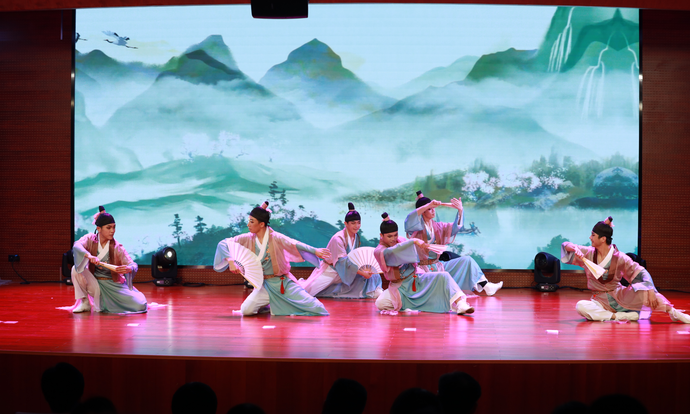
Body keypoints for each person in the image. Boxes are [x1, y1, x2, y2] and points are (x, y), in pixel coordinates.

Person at [562, 216, 690, 323]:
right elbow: (565, 245)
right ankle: (618, 316)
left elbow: (641, 272)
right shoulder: (588, 253)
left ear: (603, 239)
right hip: (599, 300)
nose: (590, 237)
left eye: (593, 235)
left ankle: (674, 313)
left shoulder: (620, 258)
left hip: (620, 296)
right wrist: (573, 247)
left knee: (646, 292)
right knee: (581, 306)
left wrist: (650, 289)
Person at [214, 201, 331, 316]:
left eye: (252, 221)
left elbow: (294, 244)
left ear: (261, 224)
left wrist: (314, 251)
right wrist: (231, 261)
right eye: (249, 221)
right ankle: (267, 305)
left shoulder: (276, 238)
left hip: (282, 283)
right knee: (246, 310)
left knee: (317, 308)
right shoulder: (247, 238)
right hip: (263, 285)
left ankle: (279, 302)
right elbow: (223, 243)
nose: (248, 224)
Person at [374, 213, 474, 315]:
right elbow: (392, 252)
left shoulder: (401, 241)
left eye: (395, 235)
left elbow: (406, 249)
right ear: (381, 235)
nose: (393, 239)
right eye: (389, 236)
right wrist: (413, 241)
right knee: (380, 303)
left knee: (444, 276)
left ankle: (461, 304)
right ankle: (410, 305)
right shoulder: (379, 251)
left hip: (415, 280)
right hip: (399, 287)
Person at [405, 192, 502, 296]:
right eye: (430, 209)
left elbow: (455, 228)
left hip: (438, 265)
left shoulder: (438, 226)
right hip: (422, 270)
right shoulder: (415, 228)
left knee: (467, 261)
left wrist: (460, 210)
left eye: (433, 208)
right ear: (423, 211)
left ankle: (487, 286)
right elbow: (410, 218)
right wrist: (429, 204)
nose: (433, 210)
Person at [71, 207, 147, 314]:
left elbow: (133, 264)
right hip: (95, 284)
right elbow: (77, 245)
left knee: (140, 305)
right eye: (108, 227)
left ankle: (105, 303)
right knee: (76, 269)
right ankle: (85, 302)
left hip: (113, 286)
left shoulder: (117, 247)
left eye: (114, 227)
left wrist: (129, 268)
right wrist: (89, 255)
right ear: (99, 229)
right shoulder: (89, 239)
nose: (112, 231)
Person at [300, 203, 382, 299]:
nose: (356, 226)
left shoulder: (356, 236)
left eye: (358, 222)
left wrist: (364, 270)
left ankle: (372, 291)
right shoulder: (338, 238)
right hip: (331, 270)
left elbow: (353, 257)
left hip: (345, 270)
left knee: (374, 276)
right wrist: (362, 273)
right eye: (353, 223)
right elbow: (343, 262)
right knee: (306, 292)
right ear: (346, 223)